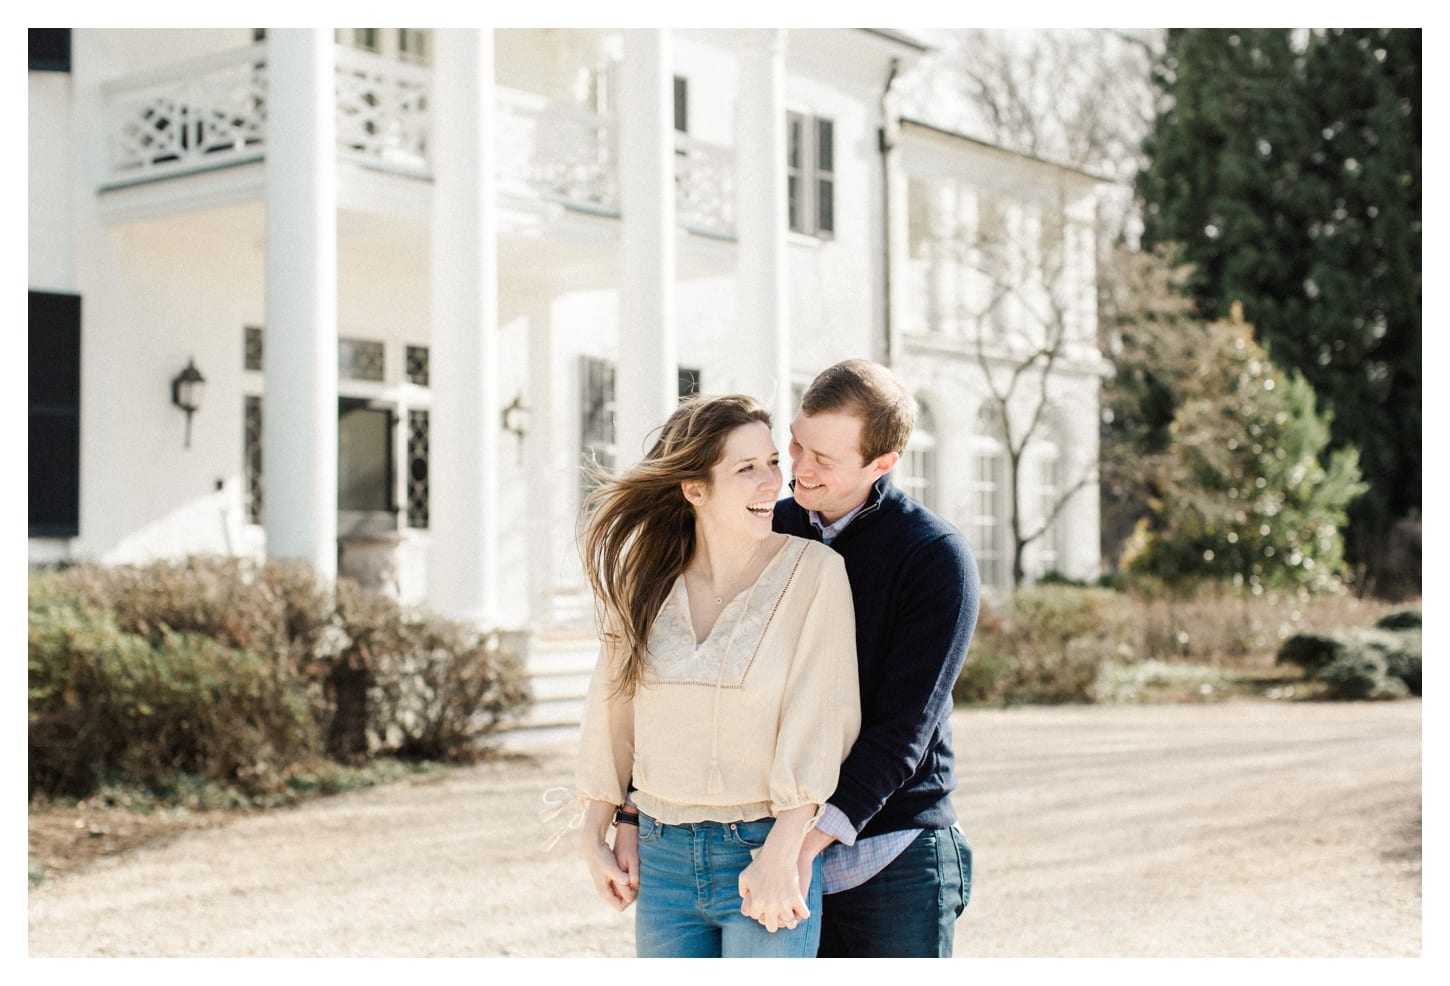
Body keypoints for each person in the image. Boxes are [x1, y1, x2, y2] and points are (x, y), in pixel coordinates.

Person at [574, 393, 861, 958]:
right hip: (660, 859)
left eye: (773, 462)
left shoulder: (815, 574)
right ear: (694, 488)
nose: (771, 483)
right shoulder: (644, 578)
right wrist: (597, 833)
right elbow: (613, 712)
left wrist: (785, 850)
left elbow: (820, 721)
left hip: (761, 850)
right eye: (746, 468)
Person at [773, 359, 979, 958]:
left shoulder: (934, 556)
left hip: (893, 855)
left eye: (825, 460)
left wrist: (801, 848)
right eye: (797, 443)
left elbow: (903, 730)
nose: (799, 469)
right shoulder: (772, 530)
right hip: (778, 842)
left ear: (882, 464)